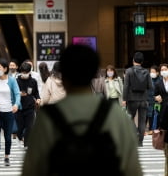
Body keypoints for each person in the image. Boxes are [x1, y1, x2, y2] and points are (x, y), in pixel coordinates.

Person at [22, 44, 143, 176]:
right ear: (93, 74)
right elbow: (132, 169)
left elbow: (31, 169)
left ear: (65, 74)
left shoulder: (47, 118)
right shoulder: (116, 116)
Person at [0, 58, 21, 168]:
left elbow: (17, 94)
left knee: (7, 137)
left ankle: (7, 156)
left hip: (9, 112)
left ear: (5, 68)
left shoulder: (11, 80)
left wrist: (16, 104)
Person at [123, 51, 152, 146]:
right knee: (142, 120)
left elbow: (126, 86)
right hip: (144, 99)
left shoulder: (129, 71)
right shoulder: (146, 72)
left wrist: (124, 99)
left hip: (132, 99)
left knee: (130, 118)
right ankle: (140, 141)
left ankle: (134, 133)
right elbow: (150, 86)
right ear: (142, 61)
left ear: (133, 60)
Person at [16, 62, 41, 148]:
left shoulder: (33, 81)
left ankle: (26, 144)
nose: (25, 74)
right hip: (19, 107)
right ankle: (19, 138)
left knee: (29, 127)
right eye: (23, 72)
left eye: (26, 72)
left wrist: (38, 99)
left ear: (29, 72)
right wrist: (19, 94)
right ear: (21, 72)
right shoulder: (16, 81)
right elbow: (12, 93)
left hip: (30, 107)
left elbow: (36, 92)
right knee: (20, 126)